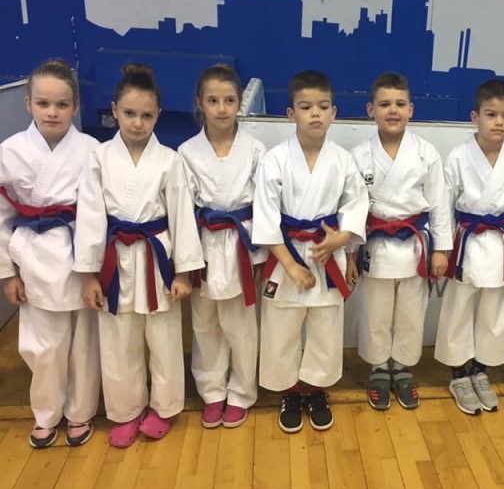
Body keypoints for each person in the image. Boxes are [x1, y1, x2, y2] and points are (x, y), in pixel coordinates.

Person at [74, 63, 204, 448]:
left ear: (158, 115)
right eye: (129, 113)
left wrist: (184, 272)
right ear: (114, 109)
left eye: (147, 116)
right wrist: (88, 274)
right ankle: (126, 411)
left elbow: (182, 217)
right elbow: (90, 216)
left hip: (156, 258)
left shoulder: (170, 160)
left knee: (164, 340)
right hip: (113, 258)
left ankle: (164, 407)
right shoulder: (99, 157)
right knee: (118, 340)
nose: (137, 123)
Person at [252, 70, 368, 433]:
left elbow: (356, 205)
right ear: (291, 114)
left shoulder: (343, 160)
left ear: (334, 112)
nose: (315, 113)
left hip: (327, 254)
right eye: (305, 107)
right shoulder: (274, 159)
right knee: (281, 326)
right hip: (285, 255)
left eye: (322, 106)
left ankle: (316, 390)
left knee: (325, 327)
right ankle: (289, 392)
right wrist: (289, 265)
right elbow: (266, 216)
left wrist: (342, 240)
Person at [0, 59, 100, 448]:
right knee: (43, 346)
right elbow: (2, 216)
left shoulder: (91, 149)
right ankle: (45, 413)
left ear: (75, 106)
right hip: (33, 256)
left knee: (83, 342)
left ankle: (81, 411)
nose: (52, 112)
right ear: (28, 104)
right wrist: (8, 273)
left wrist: (93, 268)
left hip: (78, 253)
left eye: (61, 104)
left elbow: (97, 214)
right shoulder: (10, 151)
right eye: (43, 104)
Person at [347, 72, 452, 411]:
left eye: (399, 104)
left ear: (411, 109)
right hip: (375, 245)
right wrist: (350, 254)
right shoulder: (359, 155)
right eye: (384, 104)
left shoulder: (425, 153)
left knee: (411, 312)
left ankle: (403, 367)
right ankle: (379, 368)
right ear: (370, 110)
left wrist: (441, 250)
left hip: (414, 246)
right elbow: (351, 209)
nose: (392, 110)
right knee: (375, 311)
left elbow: (439, 204)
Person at [434, 79, 504, 415]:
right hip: (466, 240)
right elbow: (443, 205)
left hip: (502, 243)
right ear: (474, 117)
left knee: (496, 311)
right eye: (491, 114)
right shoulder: (458, 156)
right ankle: (458, 374)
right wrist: (442, 248)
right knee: (459, 307)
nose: (499, 122)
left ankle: (480, 370)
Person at [178, 64, 266, 429]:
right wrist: (185, 261)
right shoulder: (186, 151)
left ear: (239, 103)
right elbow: (182, 211)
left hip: (242, 244)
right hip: (203, 244)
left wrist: (260, 255)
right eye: (213, 100)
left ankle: (242, 391)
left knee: (241, 325)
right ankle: (212, 391)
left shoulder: (256, 149)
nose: (221, 108)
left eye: (229, 100)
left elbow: (265, 207)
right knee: (205, 324)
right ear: (200, 103)